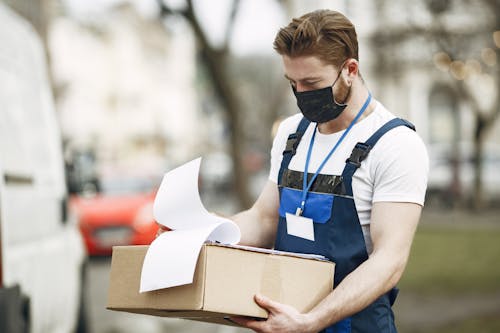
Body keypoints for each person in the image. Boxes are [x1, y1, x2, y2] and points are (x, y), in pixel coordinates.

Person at [158, 9, 428, 333]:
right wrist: (208, 233)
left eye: (311, 83)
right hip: (285, 322)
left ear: (350, 70)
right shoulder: (291, 133)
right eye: (293, 83)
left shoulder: (395, 144)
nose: (301, 94)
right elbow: (265, 219)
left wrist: (311, 321)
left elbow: (389, 261)